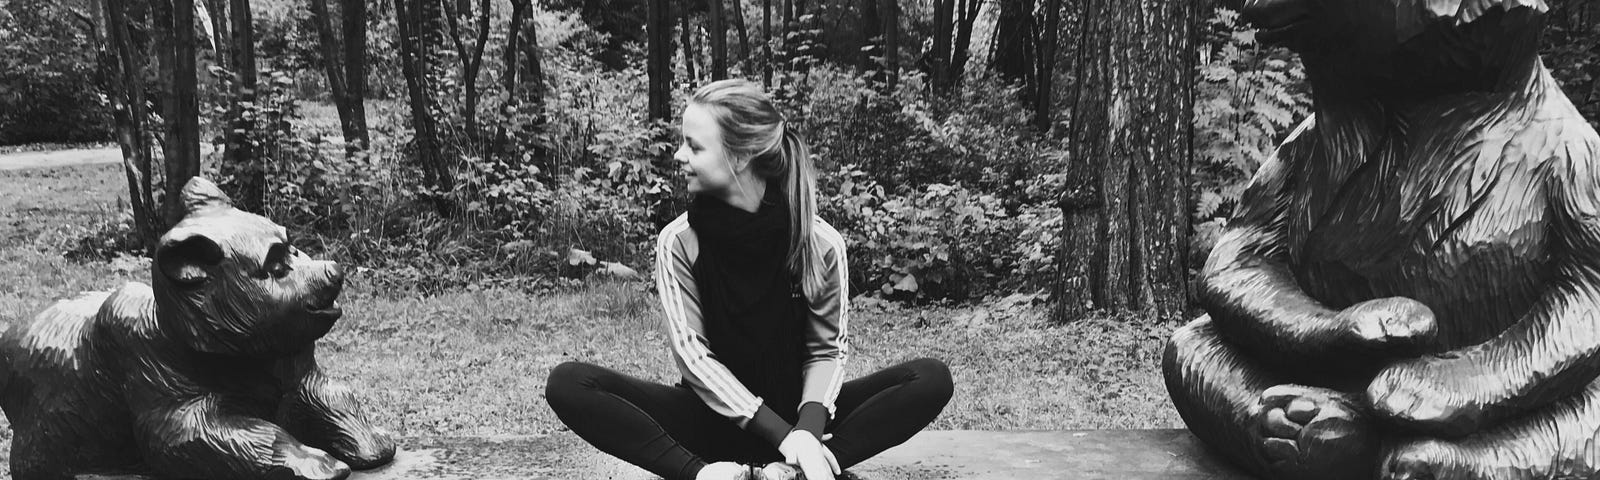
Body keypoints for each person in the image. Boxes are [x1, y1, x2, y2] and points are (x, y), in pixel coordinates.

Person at [544, 79, 954, 480]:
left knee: (930, 379)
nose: (679, 156)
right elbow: (694, 359)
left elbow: (825, 351)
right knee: (569, 384)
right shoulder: (678, 242)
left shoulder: (820, 243)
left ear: (739, 157)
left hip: (801, 421)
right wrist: (777, 434)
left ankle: (802, 470)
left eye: (695, 146)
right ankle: (709, 476)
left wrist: (805, 436)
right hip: (711, 421)